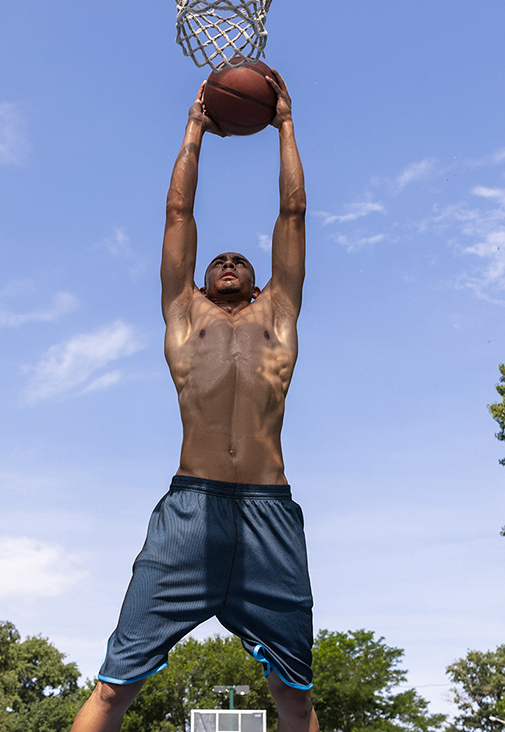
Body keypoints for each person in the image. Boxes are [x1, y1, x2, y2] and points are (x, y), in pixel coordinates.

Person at [69, 69, 316, 732]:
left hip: (269, 514)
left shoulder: (278, 316)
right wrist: (195, 130)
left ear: (262, 278)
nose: (229, 259)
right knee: (115, 683)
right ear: (201, 278)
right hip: (190, 510)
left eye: (241, 258)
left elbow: (293, 213)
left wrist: (285, 125)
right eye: (218, 259)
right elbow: (179, 213)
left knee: (293, 695)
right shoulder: (185, 315)